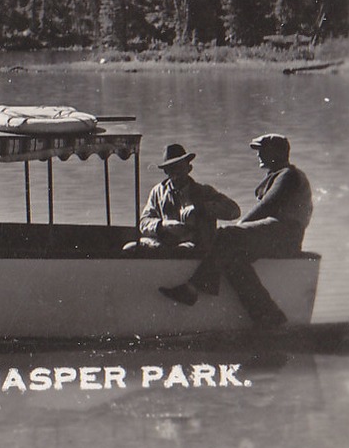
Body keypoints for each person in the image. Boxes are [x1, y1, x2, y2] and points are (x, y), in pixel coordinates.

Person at [158, 133, 314, 328]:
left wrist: (236, 230)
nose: (258, 155)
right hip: (279, 235)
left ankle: (193, 288)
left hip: (285, 234)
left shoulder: (288, 175)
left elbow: (266, 207)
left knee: (226, 235)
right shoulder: (282, 175)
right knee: (232, 259)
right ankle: (269, 317)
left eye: (262, 150)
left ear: (277, 152)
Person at [123, 142, 240, 252]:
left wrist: (200, 208)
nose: (175, 173)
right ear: (166, 172)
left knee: (182, 250)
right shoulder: (157, 192)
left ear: (189, 169)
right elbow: (143, 223)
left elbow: (234, 211)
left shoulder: (204, 192)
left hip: (194, 246)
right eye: (171, 169)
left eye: (179, 167)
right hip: (163, 244)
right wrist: (162, 225)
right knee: (130, 247)